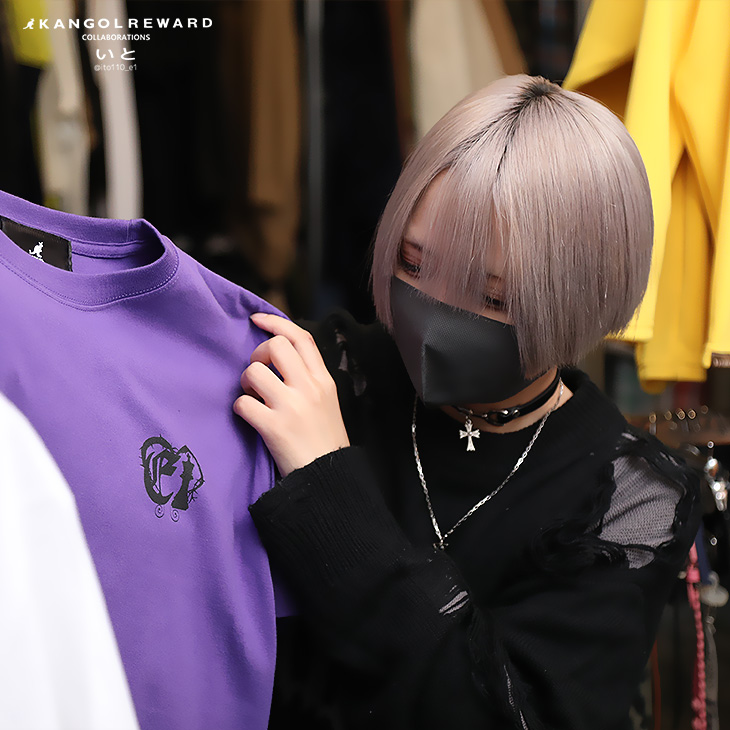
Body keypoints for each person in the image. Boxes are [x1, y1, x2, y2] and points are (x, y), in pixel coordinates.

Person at [233, 75, 701, 730]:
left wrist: (326, 483)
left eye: (492, 297)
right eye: (413, 263)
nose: (436, 317)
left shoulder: (630, 500)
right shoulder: (320, 372)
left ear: (582, 292)